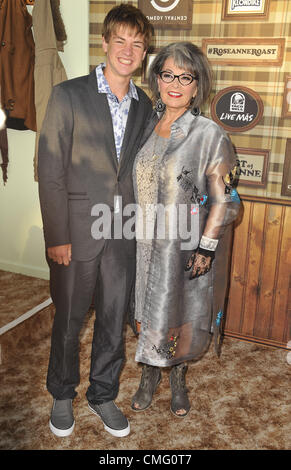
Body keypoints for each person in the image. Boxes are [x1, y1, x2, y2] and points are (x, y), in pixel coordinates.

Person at [38, 4, 153, 438]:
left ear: (144, 53)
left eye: (137, 44)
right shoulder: (69, 95)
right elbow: (49, 170)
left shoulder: (146, 105)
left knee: (111, 319)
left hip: (122, 235)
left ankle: (103, 393)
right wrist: (57, 236)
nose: (127, 50)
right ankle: (62, 393)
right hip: (75, 233)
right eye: (119, 40)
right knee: (68, 319)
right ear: (104, 43)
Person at [131, 42, 241, 417]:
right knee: (143, 311)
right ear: (156, 79)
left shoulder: (209, 134)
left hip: (182, 246)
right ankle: (148, 375)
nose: (175, 83)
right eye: (167, 74)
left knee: (177, 311)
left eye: (185, 76)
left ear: (197, 86)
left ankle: (177, 377)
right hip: (137, 243)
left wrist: (206, 248)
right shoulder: (142, 124)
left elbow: (226, 200)